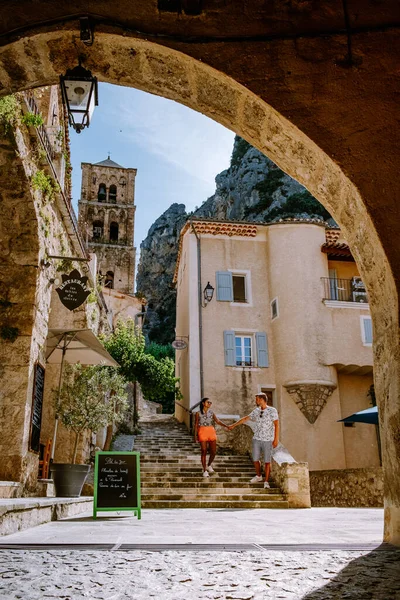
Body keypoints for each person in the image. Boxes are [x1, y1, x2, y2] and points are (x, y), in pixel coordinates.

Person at [228, 393, 279, 488]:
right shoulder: (256, 411)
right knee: (255, 459)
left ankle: (266, 482)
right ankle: (259, 476)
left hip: (268, 439)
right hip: (257, 438)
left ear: (262, 399)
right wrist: (233, 425)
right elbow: (245, 419)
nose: (256, 401)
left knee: (267, 461)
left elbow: (276, 424)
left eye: (257, 399)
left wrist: (276, 439)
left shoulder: (272, 410)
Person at [194, 397, 230, 478]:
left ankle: (209, 465)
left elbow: (217, 421)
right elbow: (196, 424)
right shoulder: (198, 413)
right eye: (208, 402)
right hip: (202, 431)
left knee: (213, 451)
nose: (210, 404)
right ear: (203, 403)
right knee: (204, 451)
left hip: (211, 431)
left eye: (210, 402)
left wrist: (226, 426)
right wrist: (195, 436)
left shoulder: (212, 412)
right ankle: (204, 470)